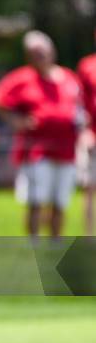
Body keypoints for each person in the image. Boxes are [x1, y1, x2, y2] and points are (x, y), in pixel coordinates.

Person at [0, 31, 85, 239]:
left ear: (52, 51)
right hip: (36, 150)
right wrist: (16, 121)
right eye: (35, 53)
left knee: (60, 200)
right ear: (28, 56)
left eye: (43, 52)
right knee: (36, 200)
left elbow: (80, 106)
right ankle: (33, 244)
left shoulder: (68, 77)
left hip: (67, 149)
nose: (40, 56)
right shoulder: (21, 78)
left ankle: (55, 243)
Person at [76, 36, 96, 235]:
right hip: (93, 137)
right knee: (89, 187)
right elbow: (79, 103)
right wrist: (84, 131)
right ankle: (90, 237)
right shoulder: (88, 65)